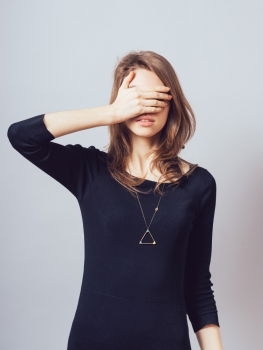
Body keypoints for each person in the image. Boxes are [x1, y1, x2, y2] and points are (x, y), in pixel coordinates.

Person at [7, 50, 223, 350]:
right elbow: (21, 136)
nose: (144, 107)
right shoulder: (90, 171)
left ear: (172, 103)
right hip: (93, 341)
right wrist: (109, 113)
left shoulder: (199, 184)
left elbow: (198, 286)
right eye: (135, 98)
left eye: (155, 97)